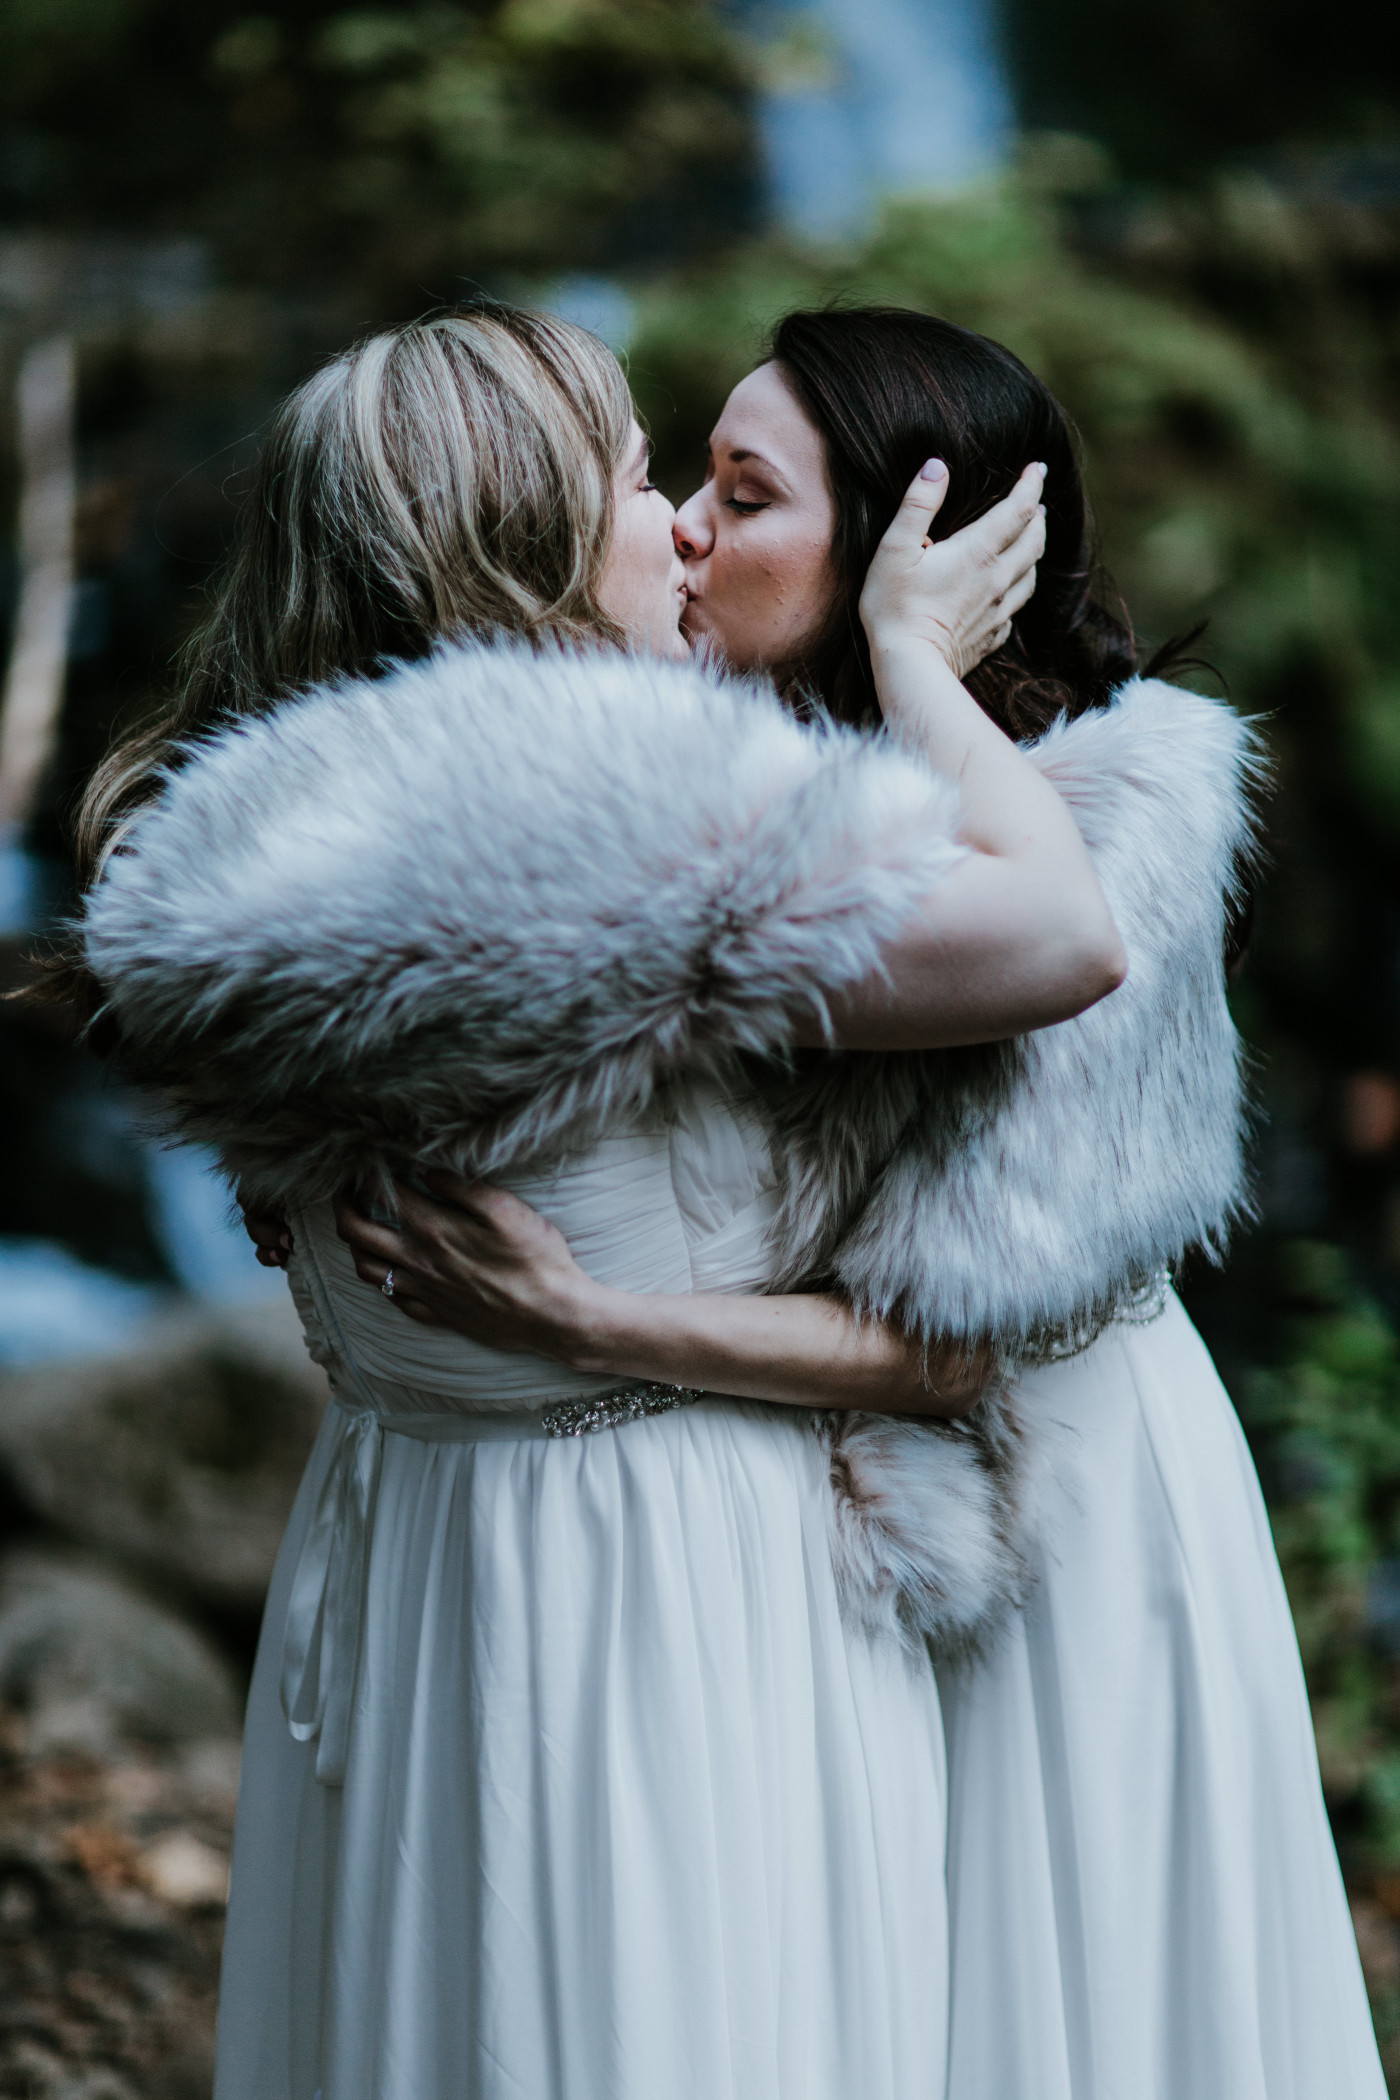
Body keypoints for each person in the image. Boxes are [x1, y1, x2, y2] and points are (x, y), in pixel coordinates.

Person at [319, 308, 1387, 2096]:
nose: (682, 530)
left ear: (910, 546)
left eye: (743, 496)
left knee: (1056, 2017)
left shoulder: (1104, 817)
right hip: (808, 1536)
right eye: (686, 476)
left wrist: (581, 1322)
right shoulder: (712, 766)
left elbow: (951, 1358)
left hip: (1064, 1517)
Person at [72, 304, 1125, 2100]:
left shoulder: (246, 847)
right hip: (659, 1585)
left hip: (411, 1543)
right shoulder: (644, 831)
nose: (677, 523)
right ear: (532, 540)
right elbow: (1063, 931)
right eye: (637, 477)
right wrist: (916, 659)